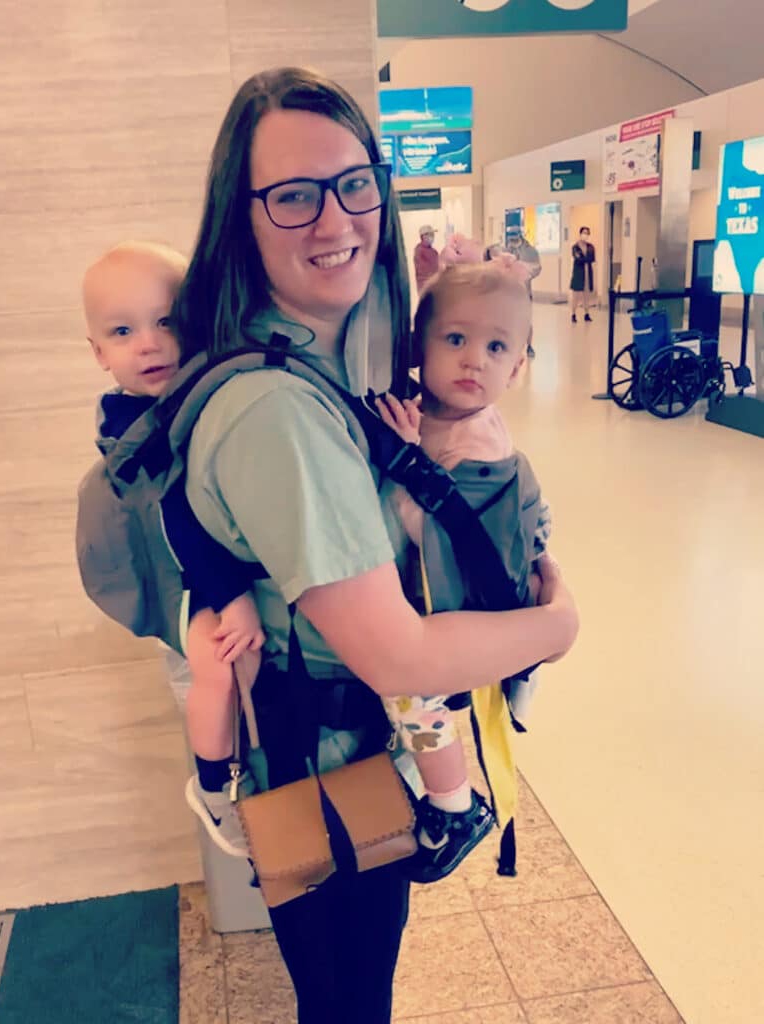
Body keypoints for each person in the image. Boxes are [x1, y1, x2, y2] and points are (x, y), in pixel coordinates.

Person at [173, 67, 579, 1024]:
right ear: (243, 215)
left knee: (345, 994)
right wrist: (555, 628)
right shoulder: (278, 407)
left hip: (337, 753)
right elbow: (395, 653)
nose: (335, 220)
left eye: (356, 183)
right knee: (350, 1004)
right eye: (293, 195)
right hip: (331, 762)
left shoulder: (308, 366)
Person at [82, 240, 265, 858]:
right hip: (187, 582)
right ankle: (215, 788)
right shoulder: (136, 424)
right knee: (213, 665)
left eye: (166, 321)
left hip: (202, 573)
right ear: (99, 352)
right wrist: (232, 597)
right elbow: (178, 514)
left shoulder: (202, 393)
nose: (149, 343)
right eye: (123, 330)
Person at [375, 254, 554, 884]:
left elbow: (440, 532)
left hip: (473, 604)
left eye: (496, 345)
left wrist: (401, 459)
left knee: (405, 688)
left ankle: (455, 806)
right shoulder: (441, 412)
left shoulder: (474, 443)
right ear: (420, 344)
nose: (474, 360)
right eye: (456, 339)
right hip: (488, 588)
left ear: (518, 362)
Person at [570, 226, 596, 322]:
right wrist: (584, 259)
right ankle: (573, 314)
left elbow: (592, 259)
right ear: (580, 233)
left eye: (587, 233)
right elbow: (578, 258)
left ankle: (586, 313)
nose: (585, 235)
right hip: (578, 273)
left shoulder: (590, 247)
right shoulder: (575, 247)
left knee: (586, 295)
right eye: (584, 232)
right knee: (575, 295)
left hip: (587, 273)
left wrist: (584, 259)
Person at [413, 224, 439, 293]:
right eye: (430, 235)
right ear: (423, 236)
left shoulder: (434, 252)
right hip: (425, 288)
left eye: (433, 235)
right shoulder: (419, 250)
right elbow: (422, 271)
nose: (433, 237)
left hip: (435, 286)